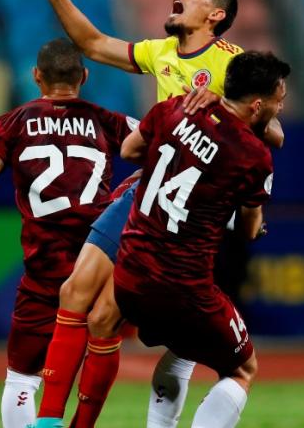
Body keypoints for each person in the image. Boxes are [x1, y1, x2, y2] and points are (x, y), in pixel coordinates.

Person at [21, 0, 282, 428]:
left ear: (216, 15)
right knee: (76, 292)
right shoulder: (161, 52)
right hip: (146, 188)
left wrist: (220, 105)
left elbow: (273, 130)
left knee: (104, 317)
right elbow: (93, 44)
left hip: (183, 212)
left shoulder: (231, 62)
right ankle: (49, 422)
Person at [0, 38, 134, 428]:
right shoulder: (107, 121)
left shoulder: (11, 123)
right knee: (112, 346)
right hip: (98, 266)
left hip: (45, 270)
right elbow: (167, 146)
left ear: (36, 76)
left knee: (21, 377)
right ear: (84, 76)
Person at [115, 51, 289, 428]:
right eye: (279, 101)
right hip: (182, 288)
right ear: (258, 105)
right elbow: (249, 230)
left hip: (128, 275)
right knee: (243, 368)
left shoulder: (175, 107)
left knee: (184, 349)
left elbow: (129, 150)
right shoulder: (253, 157)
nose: (280, 109)